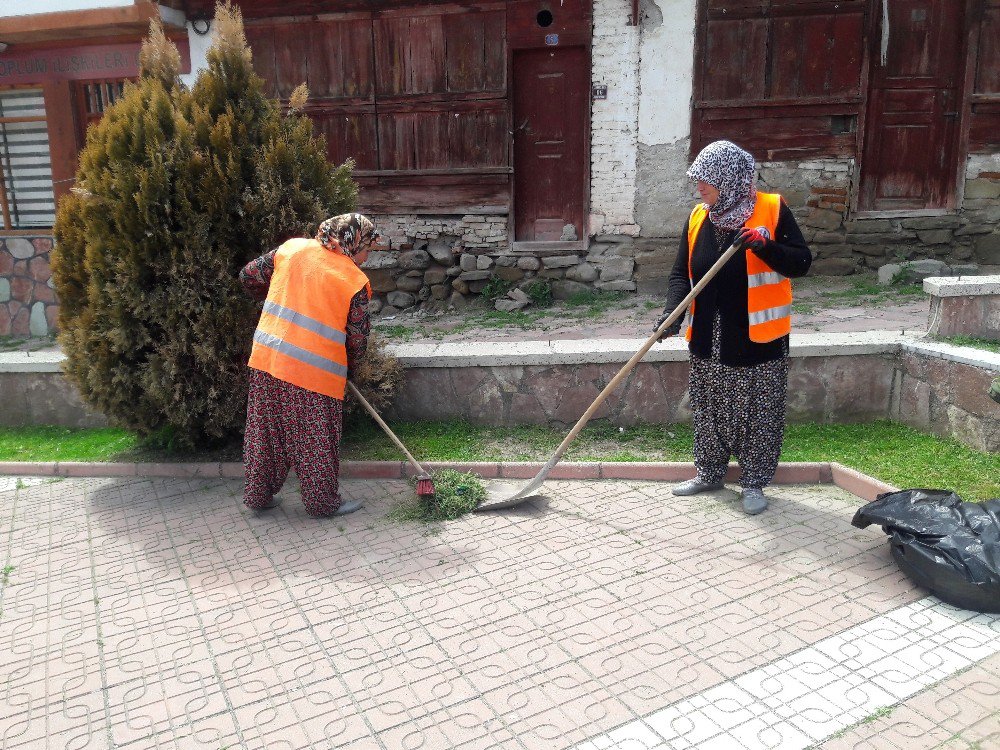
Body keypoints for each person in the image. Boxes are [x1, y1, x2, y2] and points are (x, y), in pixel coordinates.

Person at [655, 140, 812, 515]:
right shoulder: (698, 217)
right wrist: (670, 316)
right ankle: (709, 473)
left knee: (758, 411)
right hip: (708, 335)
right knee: (709, 408)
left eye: (705, 179)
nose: (700, 187)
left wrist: (764, 245)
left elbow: (800, 262)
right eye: (698, 180)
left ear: (728, 178)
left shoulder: (771, 210)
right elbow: (682, 274)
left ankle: (754, 483)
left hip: (758, 338)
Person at [239, 213, 380, 517]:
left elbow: (248, 275)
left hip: (267, 360)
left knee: (266, 433)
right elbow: (357, 339)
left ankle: (258, 496)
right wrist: (351, 368)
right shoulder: (353, 281)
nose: (369, 256)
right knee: (316, 439)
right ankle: (322, 504)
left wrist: (285, 293)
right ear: (352, 243)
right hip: (314, 374)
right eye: (368, 247)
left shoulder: (291, 249)